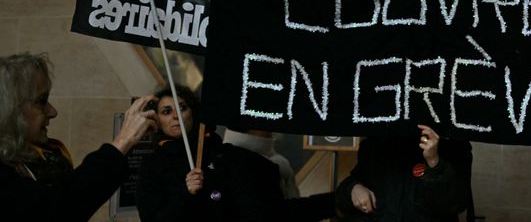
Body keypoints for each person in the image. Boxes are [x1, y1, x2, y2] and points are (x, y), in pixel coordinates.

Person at [137, 85, 334, 222]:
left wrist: (340, 200)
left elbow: (274, 212)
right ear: (158, 120)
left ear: (194, 113)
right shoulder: (152, 166)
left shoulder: (230, 157)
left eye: (182, 108)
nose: (175, 116)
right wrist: (185, 192)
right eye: (166, 111)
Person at [0, 52, 159, 222]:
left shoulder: (47, 155)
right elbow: (57, 208)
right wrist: (122, 142)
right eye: (41, 101)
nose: (53, 112)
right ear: (9, 108)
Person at [335, 124, 472, 222]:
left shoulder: (455, 144)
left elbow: (455, 204)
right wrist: (353, 189)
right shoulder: (378, 141)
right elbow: (345, 194)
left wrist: (433, 161)